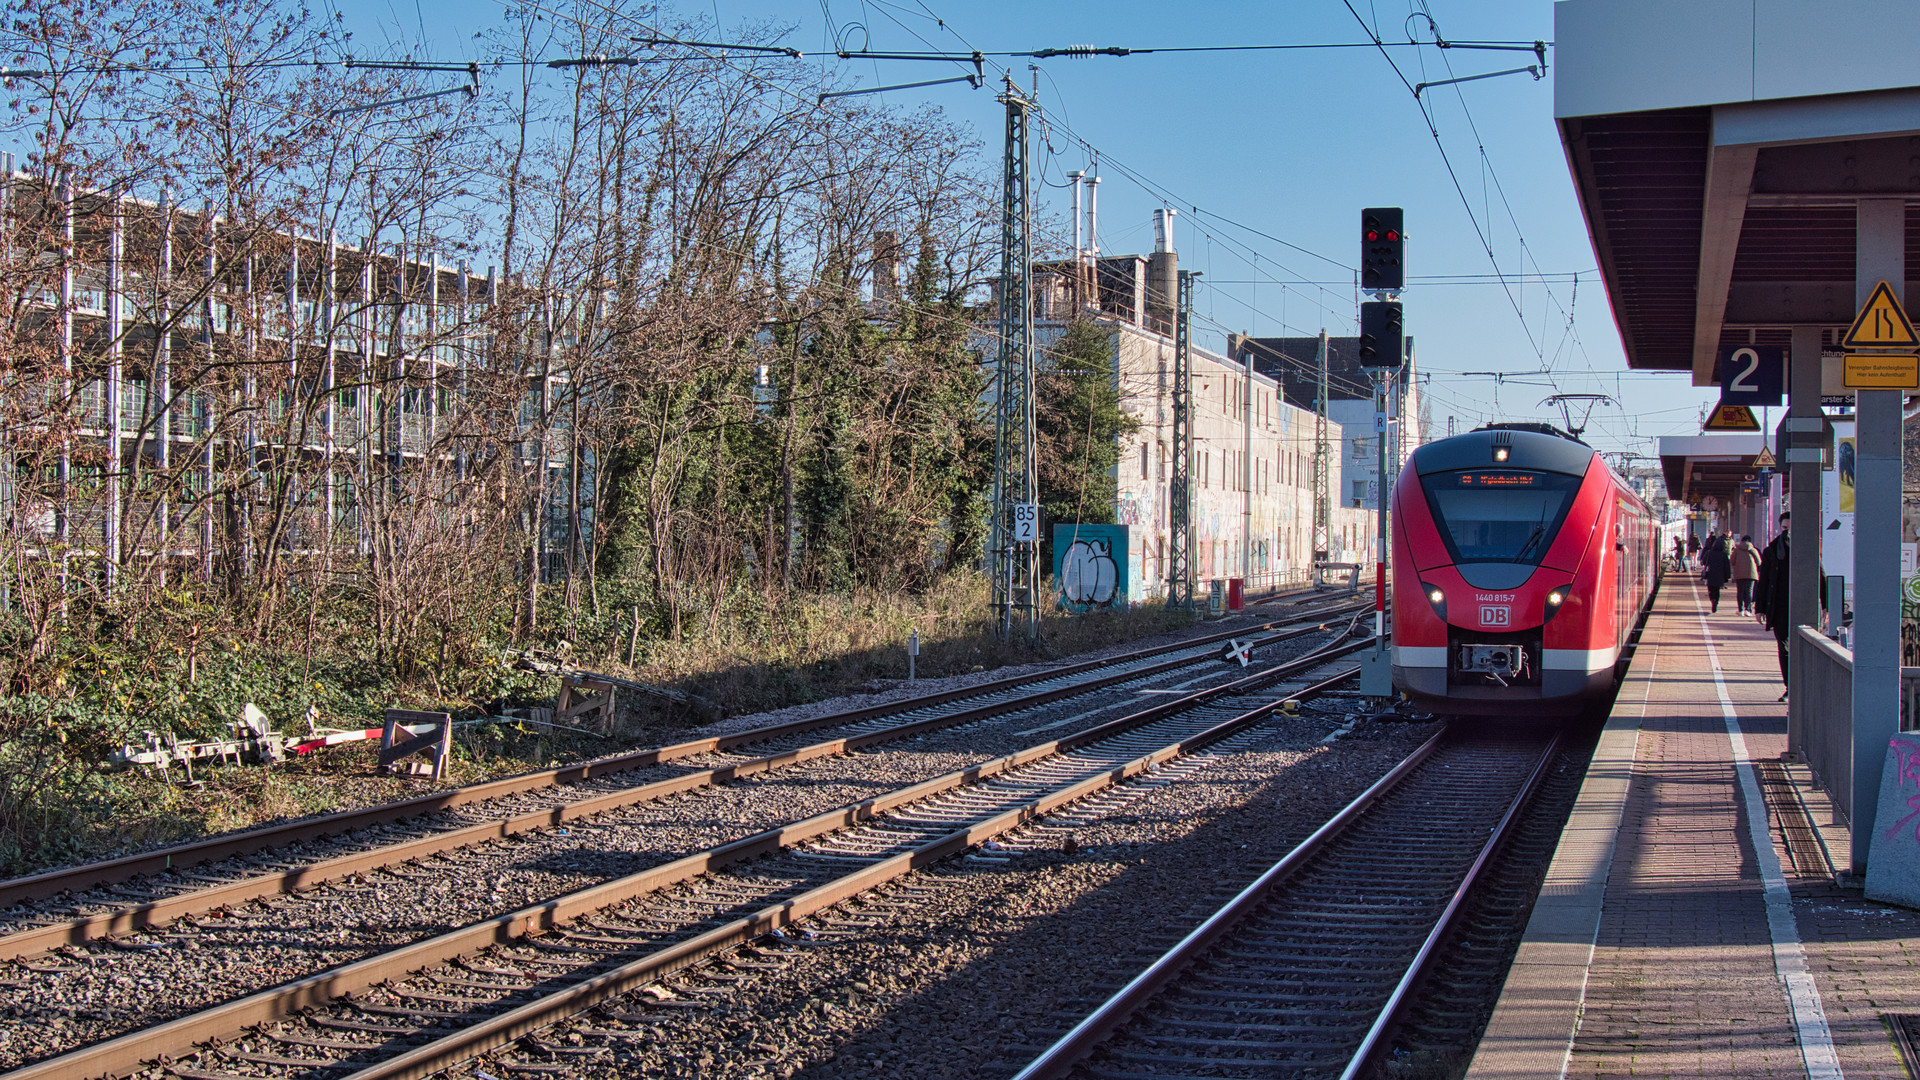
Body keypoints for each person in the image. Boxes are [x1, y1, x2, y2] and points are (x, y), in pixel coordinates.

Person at [1754, 511, 1825, 693]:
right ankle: (1790, 687)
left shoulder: (1808, 549)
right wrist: (1760, 608)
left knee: (1804, 647)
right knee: (1784, 647)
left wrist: (1826, 606)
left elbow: (1821, 577)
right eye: (1785, 528)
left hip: (1803, 606)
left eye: (1791, 528)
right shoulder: (1771, 551)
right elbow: (1763, 581)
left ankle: (1803, 687)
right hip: (1779, 608)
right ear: (1780, 528)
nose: (1788, 532)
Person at [1730, 533, 1760, 615]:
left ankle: (1740, 610)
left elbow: (1732, 561)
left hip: (1739, 573)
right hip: (1751, 574)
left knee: (1740, 591)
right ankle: (1748, 610)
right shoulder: (1753, 549)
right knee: (1749, 591)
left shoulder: (1736, 550)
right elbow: (1759, 562)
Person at [1701, 530, 1731, 613]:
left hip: (1710, 575)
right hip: (1719, 576)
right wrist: (1727, 576)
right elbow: (1727, 567)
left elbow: (1704, 561)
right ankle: (1716, 602)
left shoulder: (1709, 553)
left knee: (1710, 589)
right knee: (1717, 590)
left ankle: (1712, 600)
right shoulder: (1724, 555)